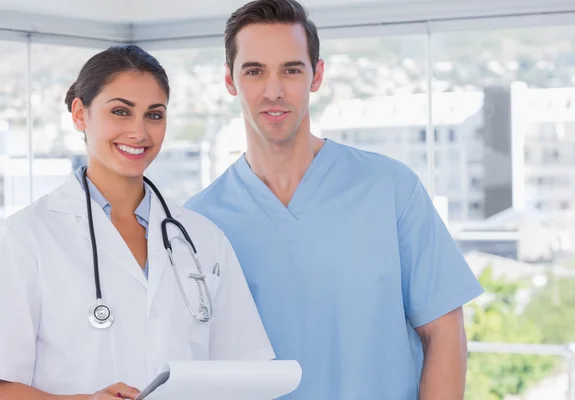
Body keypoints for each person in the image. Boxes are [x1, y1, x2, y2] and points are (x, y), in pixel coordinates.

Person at [184, 0, 484, 398]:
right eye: (254, 71)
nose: (273, 91)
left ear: (316, 75)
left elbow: (444, 332)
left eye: (291, 70)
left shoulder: (391, 188)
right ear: (229, 80)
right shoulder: (199, 221)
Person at [0, 44, 274, 400]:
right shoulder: (25, 238)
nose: (139, 132)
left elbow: (244, 370)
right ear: (80, 114)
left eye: (154, 115)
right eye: (120, 112)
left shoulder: (202, 237)